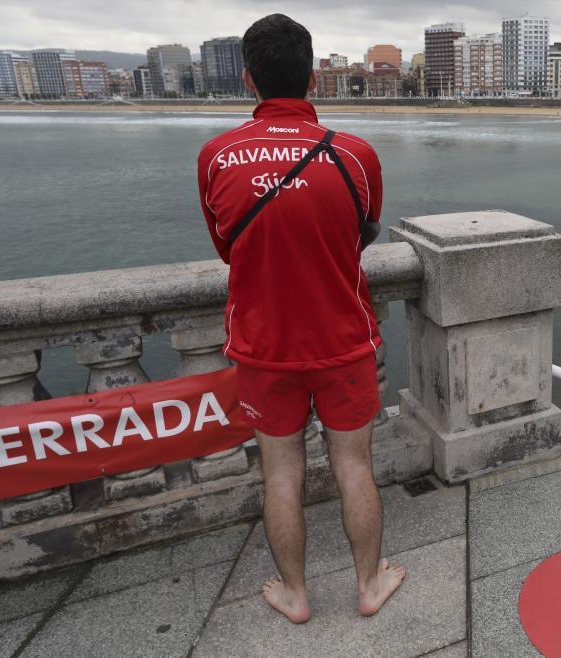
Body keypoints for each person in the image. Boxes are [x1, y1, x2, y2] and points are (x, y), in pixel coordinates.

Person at [196, 13, 403, 624]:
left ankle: (294, 593)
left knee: (281, 473)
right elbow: (359, 234)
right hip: (344, 340)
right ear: (312, 77)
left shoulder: (216, 157)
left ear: (247, 79)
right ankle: (369, 584)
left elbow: (226, 247)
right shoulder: (356, 155)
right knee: (354, 464)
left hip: (263, 346)